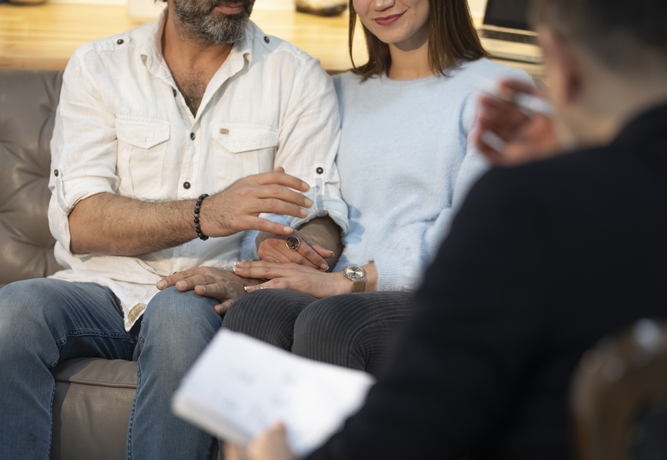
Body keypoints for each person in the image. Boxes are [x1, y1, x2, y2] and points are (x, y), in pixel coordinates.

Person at [222, 0, 667, 460]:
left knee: (334, 323)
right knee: (258, 309)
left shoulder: (532, 201)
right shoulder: (560, 190)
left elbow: (418, 428)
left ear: (564, 64)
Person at [0, 0, 348, 460]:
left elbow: (316, 216)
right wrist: (206, 213)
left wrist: (300, 248)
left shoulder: (296, 76)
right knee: (14, 311)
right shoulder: (98, 65)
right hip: (100, 289)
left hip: (211, 291)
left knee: (178, 314)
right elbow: (82, 221)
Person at [220, 0, 531, 374]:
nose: (380, 3)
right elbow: (297, 197)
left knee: (334, 323)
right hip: (332, 288)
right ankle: (249, 437)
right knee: (256, 310)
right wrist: (279, 245)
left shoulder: (500, 92)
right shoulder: (334, 93)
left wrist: (350, 281)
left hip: (442, 294)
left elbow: (479, 233)